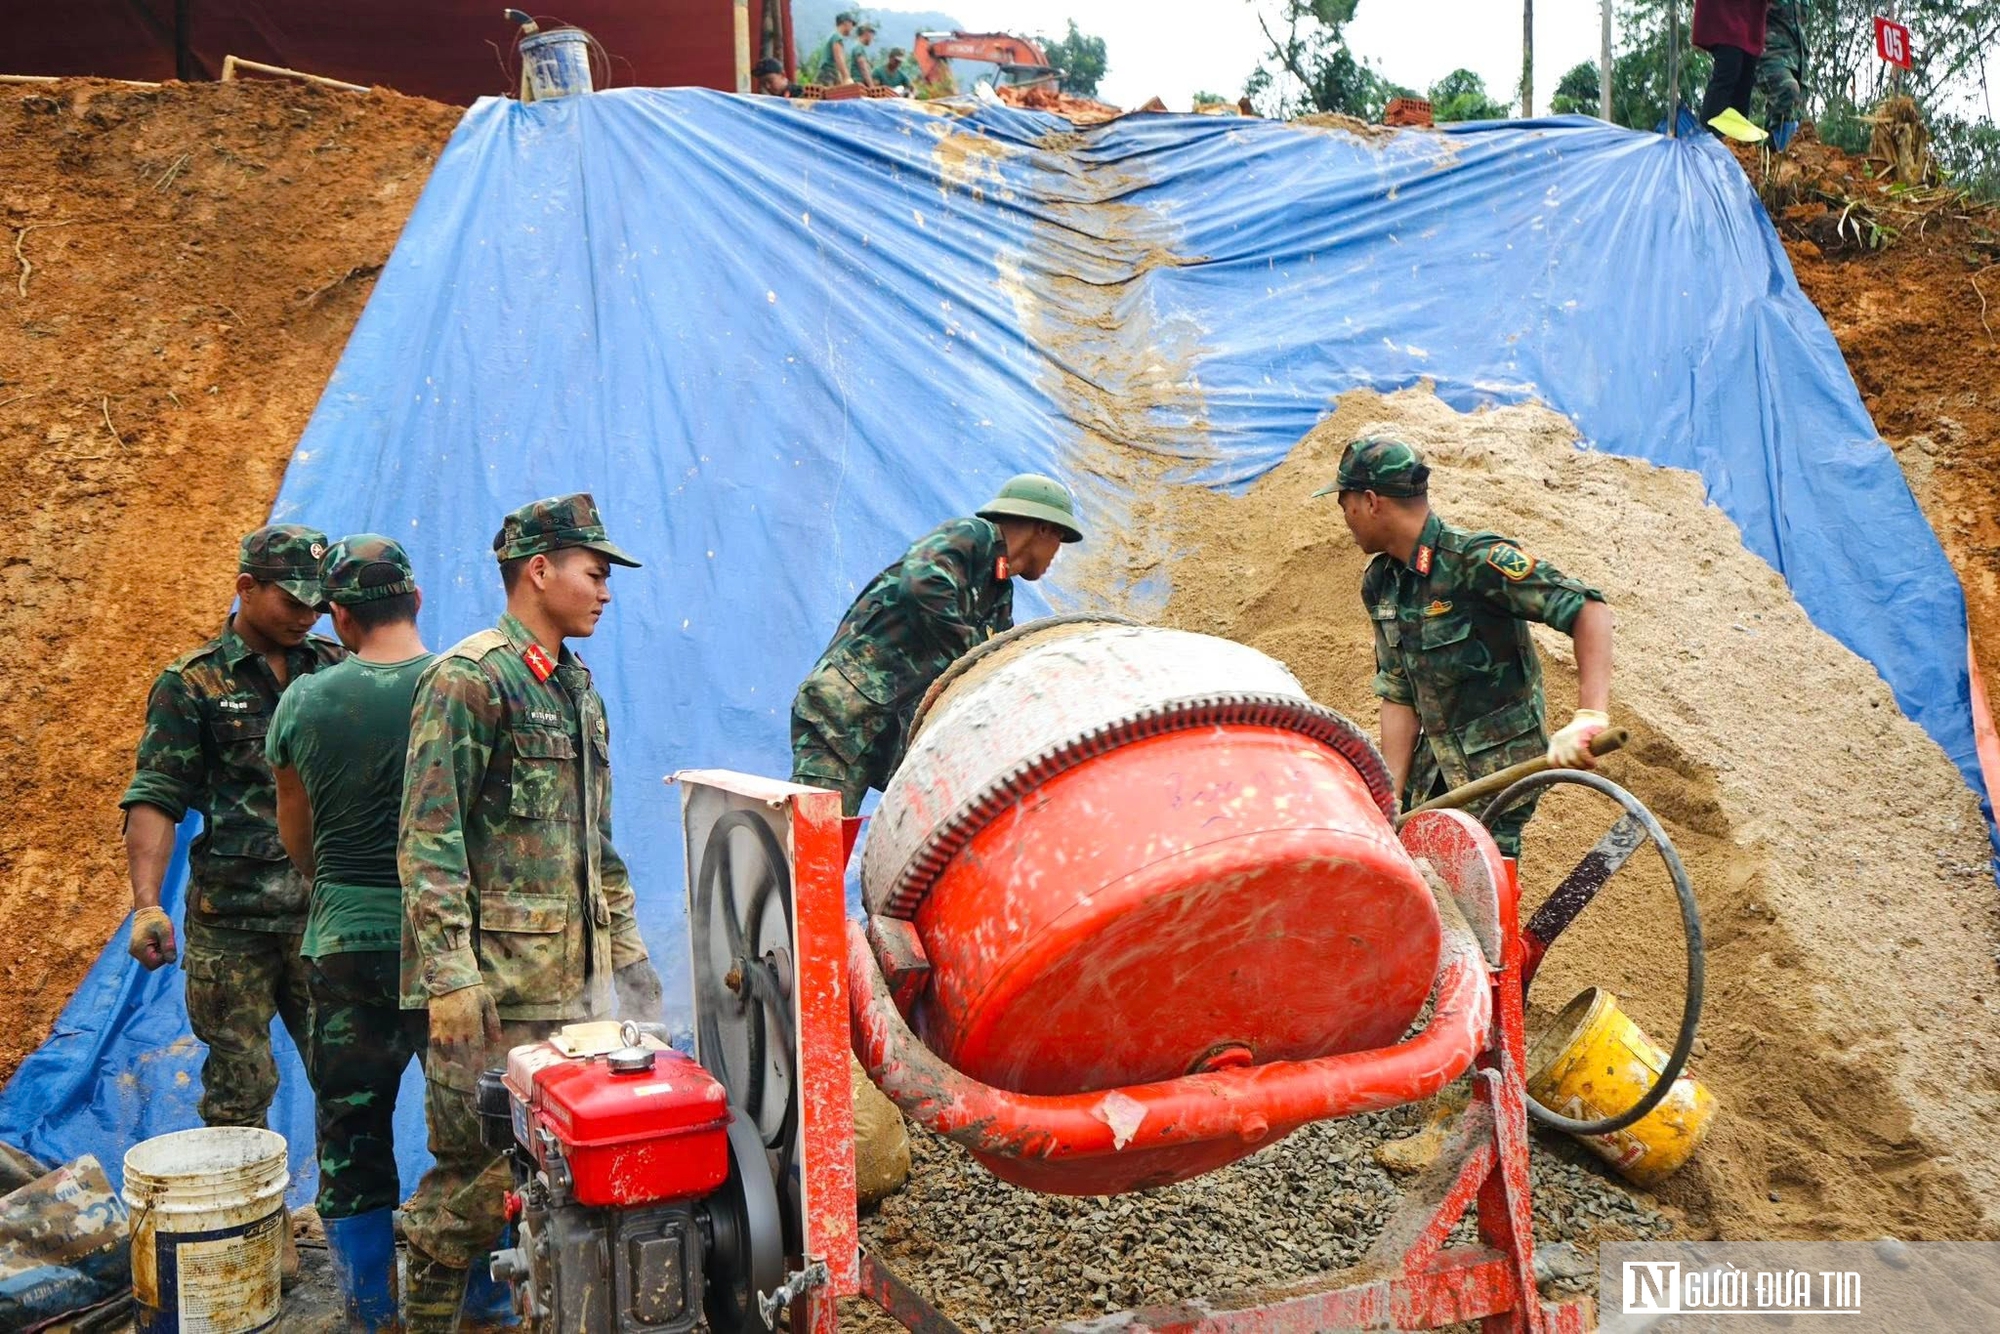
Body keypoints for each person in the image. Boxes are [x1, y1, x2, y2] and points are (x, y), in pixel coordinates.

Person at [397, 494, 664, 1331]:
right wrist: (449, 978)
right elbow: (427, 840)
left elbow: (599, 845)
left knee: (542, 1179)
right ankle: (428, 1319)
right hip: (490, 994)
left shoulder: (576, 691)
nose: (606, 592)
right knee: (470, 1184)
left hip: (567, 996)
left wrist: (628, 956)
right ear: (538, 572)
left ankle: (512, 1313)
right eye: (595, 573)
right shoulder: (471, 680)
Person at [120, 523, 343, 1281]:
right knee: (240, 1090)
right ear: (245, 587)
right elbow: (157, 796)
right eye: (291, 599)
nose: (307, 615)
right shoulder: (192, 683)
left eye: (318, 601)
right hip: (234, 928)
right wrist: (147, 904)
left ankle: (353, 1226)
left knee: (347, 1080)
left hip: (325, 922)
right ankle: (259, 1234)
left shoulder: (334, 670)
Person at [265, 536, 432, 1332]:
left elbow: (296, 834)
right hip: (447, 947)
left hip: (343, 942)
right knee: (480, 1127)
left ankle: (373, 1312)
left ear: (337, 614)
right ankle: (489, 1299)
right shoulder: (460, 684)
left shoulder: (303, 701)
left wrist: (336, 882)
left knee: (353, 1132)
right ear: (417, 601)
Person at [1319, 438, 1614, 859]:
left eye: (1344, 503)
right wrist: (1392, 797)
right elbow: (1399, 691)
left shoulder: (1475, 561)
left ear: (1370, 501)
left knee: (1484, 895)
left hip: (1500, 774)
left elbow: (1588, 609)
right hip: (1434, 776)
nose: (1344, 517)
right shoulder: (1381, 583)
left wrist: (1589, 714)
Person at [791, 474, 1083, 815]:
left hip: (882, 729)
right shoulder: (973, 537)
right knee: (814, 838)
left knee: (828, 840)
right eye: (1060, 539)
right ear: (1043, 529)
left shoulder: (998, 591)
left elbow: (997, 664)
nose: (1056, 555)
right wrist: (972, 651)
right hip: (843, 710)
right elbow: (921, 584)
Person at [1693, 0, 1770, 139]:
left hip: (1750, 13)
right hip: (1725, 11)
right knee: (1729, 68)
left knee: (1746, 78)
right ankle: (1709, 136)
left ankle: (1737, 141)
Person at [1757, 0, 1807, 150]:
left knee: (1789, 114)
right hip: (1770, 53)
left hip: (1798, 60)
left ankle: (1771, 157)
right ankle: (1785, 155)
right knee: (1788, 92)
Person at [816, 11, 857, 85]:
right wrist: (847, 77)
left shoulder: (833, 36)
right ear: (845, 23)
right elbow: (839, 59)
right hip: (828, 74)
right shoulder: (837, 37)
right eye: (851, 24)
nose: (852, 28)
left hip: (828, 72)